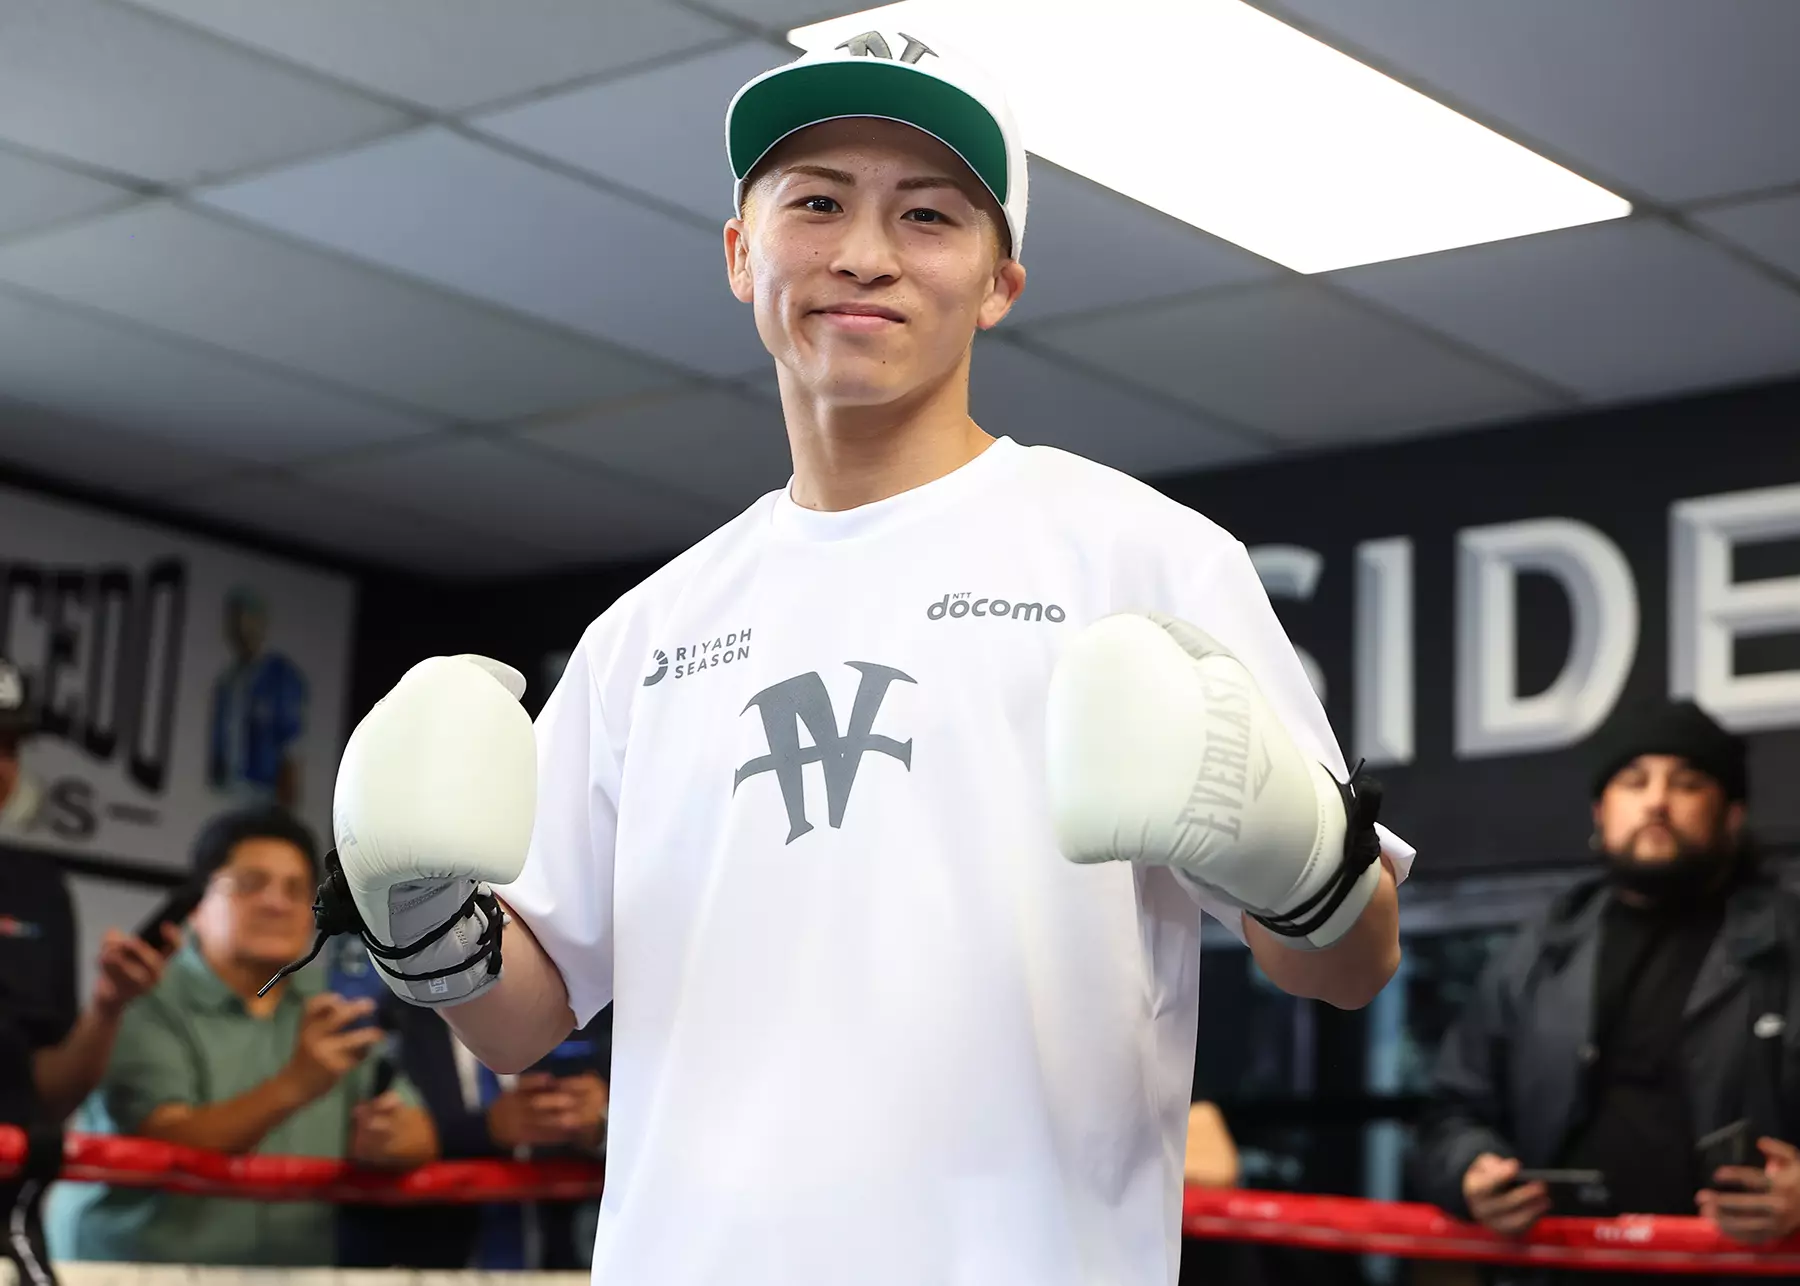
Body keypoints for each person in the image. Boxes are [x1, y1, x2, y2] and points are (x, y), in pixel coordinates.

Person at [308, 32, 1412, 1286]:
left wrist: (1294, 854)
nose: (865, 254)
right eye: (817, 202)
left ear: (1001, 281)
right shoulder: (649, 631)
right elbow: (527, 1016)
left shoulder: (1139, 559)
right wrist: (419, 922)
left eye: (928, 215)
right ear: (740, 254)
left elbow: (1352, 963)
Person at [1413, 700, 1800, 1278]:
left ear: (1732, 815)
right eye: (1634, 780)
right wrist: (1471, 1173)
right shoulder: (1540, 952)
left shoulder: (1788, 946)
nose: (1657, 800)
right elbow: (1448, 1114)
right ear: (1600, 811)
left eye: (1688, 782)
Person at [48, 806, 438, 1267]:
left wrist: (393, 1138)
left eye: (296, 890)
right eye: (251, 884)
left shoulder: (328, 1006)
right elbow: (171, 1141)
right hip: (134, 1272)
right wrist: (297, 1084)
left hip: (293, 1273)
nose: (277, 903)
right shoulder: (142, 997)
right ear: (197, 903)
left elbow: (419, 1135)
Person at [1, 654, 172, 1281]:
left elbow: (44, 1094)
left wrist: (107, 1005)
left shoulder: (37, 891)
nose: (1, 765)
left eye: (10, 746)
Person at [340, 1003, 609, 1271]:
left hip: (576, 1262)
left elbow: (624, 1124)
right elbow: (377, 1138)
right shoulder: (390, 1019)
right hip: (431, 1263)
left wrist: (606, 1124)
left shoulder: (590, 1010)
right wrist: (483, 1131)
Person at [208, 587, 308, 810]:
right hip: (229, 788)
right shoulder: (228, 680)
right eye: (235, 621)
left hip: (263, 790)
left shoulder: (280, 675)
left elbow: (291, 741)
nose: (242, 629)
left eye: (248, 620)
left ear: (261, 624)